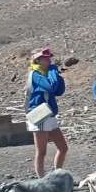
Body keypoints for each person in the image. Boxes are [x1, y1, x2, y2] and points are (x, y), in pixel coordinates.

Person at [24, 48, 68, 177]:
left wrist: (56, 75)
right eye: (46, 58)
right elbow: (51, 87)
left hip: (50, 114)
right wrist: (53, 72)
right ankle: (42, 179)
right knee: (41, 151)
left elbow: (59, 91)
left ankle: (57, 174)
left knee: (63, 148)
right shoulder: (36, 74)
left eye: (49, 58)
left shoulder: (46, 73)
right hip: (40, 114)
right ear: (38, 60)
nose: (49, 60)